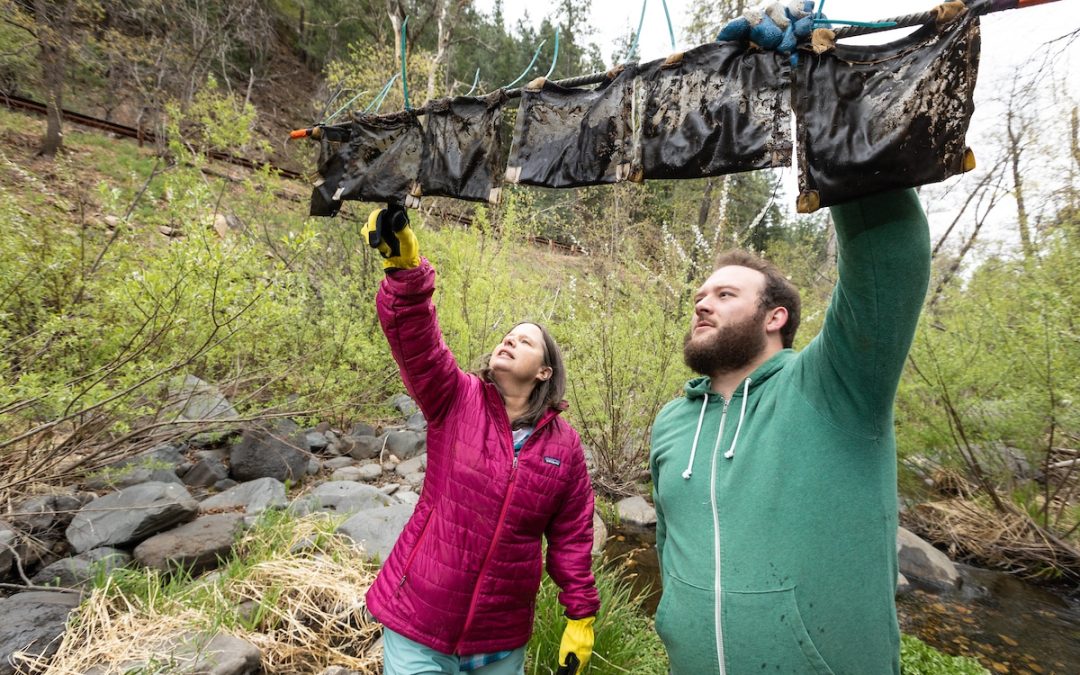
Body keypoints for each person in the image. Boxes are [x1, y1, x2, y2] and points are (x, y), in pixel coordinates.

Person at [649, 188, 931, 674]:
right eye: (699, 297)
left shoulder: (834, 387)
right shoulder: (673, 422)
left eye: (725, 295)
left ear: (775, 317)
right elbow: (670, 543)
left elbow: (887, 259)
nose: (702, 305)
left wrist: (846, 153)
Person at [360, 205, 600, 675]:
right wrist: (407, 274)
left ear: (545, 372)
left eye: (525, 342)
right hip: (419, 623)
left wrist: (581, 613)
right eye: (507, 336)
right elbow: (417, 339)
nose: (509, 341)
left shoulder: (564, 447)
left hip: (500, 641)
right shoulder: (455, 398)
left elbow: (572, 535)